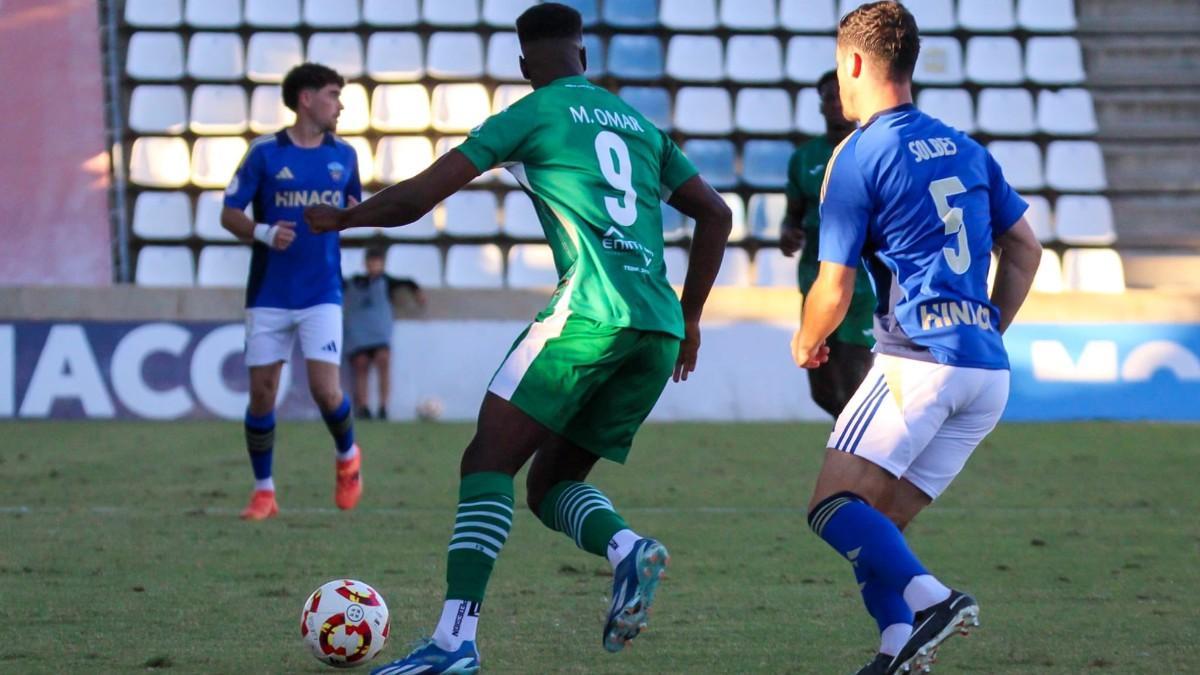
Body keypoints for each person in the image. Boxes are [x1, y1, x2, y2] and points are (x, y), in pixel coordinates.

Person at [306, 5, 732, 672]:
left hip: (589, 314)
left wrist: (344, 218)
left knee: (487, 461)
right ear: (584, 57)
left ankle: (454, 641)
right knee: (549, 485)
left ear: (525, 66)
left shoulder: (531, 113)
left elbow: (420, 197)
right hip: (657, 326)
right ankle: (626, 548)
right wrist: (694, 316)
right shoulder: (639, 125)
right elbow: (717, 212)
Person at [788, 3, 1043, 673]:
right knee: (880, 529)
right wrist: (984, 326)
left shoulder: (859, 152)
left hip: (916, 362)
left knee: (830, 507)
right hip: (985, 372)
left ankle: (932, 601)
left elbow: (834, 285)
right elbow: (1025, 248)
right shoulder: (965, 145)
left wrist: (808, 338)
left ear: (854, 62)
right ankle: (898, 647)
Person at [220, 63, 365, 521]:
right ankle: (264, 491)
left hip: (322, 290)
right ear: (306, 99)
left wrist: (346, 216)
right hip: (269, 292)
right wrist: (263, 232)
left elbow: (356, 207)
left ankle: (347, 456)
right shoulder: (264, 153)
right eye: (332, 94)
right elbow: (229, 213)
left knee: (326, 391)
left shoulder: (345, 155)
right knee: (262, 394)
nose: (339, 104)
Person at [781, 70, 876, 418]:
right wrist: (788, 233)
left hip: (862, 285)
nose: (835, 104)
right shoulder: (804, 159)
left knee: (853, 383)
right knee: (822, 391)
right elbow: (793, 215)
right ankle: (861, 449)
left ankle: (859, 459)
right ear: (821, 106)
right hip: (815, 280)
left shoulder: (872, 152)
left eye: (840, 96)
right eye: (828, 98)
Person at [343, 245, 426, 420]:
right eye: (371, 262)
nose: (374, 266)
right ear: (365, 263)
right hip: (357, 332)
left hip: (379, 331)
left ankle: (383, 406)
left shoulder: (387, 281)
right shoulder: (354, 282)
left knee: (383, 362)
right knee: (361, 365)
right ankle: (363, 406)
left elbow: (409, 282)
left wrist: (418, 294)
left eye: (377, 263)